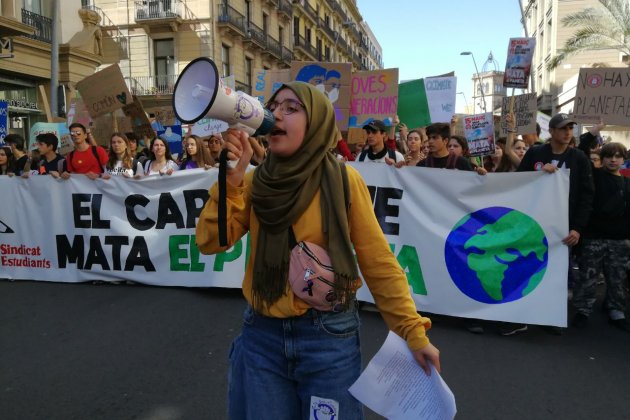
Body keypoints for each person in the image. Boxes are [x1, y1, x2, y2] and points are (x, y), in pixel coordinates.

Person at [195, 81, 440, 419]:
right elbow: (210, 243)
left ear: (318, 123)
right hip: (262, 336)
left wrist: (412, 331)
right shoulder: (253, 182)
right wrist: (232, 181)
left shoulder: (343, 180)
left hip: (328, 338)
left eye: (291, 108)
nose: (275, 114)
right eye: (274, 106)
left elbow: (378, 261)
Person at [512, 112, 595, 336]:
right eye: (563, 128)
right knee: (528, 267)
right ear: (552, 131)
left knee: (557, 272)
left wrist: (577, 228)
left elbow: (587, 196)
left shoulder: (579, 158)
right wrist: (539, 173)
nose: (568, 132)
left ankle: (551, 316)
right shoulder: (536, 153)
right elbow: (518, 181)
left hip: (562, 228)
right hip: (534, 223)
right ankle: (522, 312)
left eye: (570, 128)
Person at [572, 142, 630, 331]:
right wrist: (592, 134)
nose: (613, 160)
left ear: (624, 159)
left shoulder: (628, 183)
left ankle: (616, 309)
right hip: (593, 238)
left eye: (618, 156)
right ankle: (583, 310)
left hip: (619, 240)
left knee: (617, 278)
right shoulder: (594, 176)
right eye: (608, 156)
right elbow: (580, 153)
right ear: (601, 158)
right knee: (588, 276)